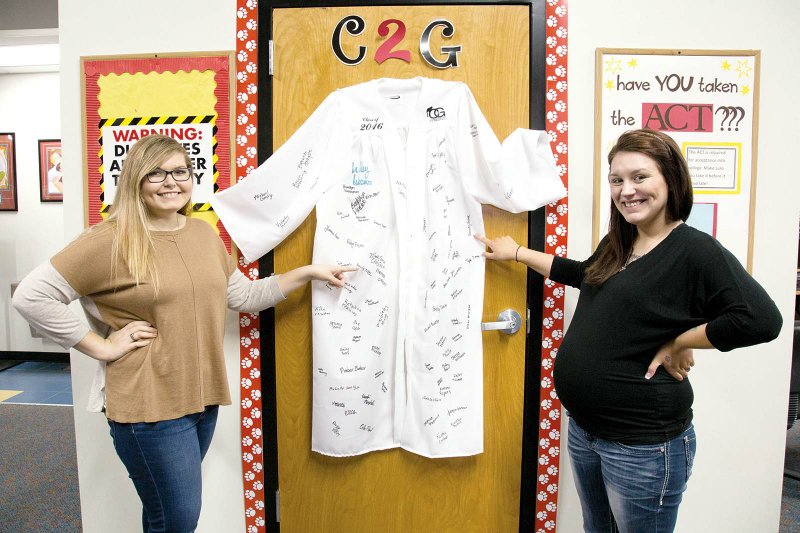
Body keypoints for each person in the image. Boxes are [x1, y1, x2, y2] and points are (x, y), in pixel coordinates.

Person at [12, 134, 355, 532]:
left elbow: (243, 295)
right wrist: (102, 347)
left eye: (180, 171)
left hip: (200, 394)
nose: (171, 181)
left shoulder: (202, 233)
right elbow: (32, 296)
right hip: (148, 402)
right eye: (156, 173)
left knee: (165, 514)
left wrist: (308, 273)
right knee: (177, 518)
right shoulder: (109, 239)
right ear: (136, 180)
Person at [475, 128, 782, 533]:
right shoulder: (620, 242)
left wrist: (679, 340)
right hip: (587, 432)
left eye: (640, 177)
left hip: (643, 445)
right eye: (617, 180)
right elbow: (585, 275)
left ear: (670, 180)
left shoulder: (695, 250)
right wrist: (516, 252)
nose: (627, 190)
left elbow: (760, 320)